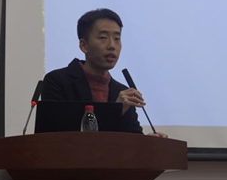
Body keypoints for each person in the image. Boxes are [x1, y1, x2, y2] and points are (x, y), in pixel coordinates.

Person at [42, 8, 167, 137]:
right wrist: (115, 110)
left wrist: (148, 142)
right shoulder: (57, 81)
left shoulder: (122, 92)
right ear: (84, 46)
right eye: (103, 38)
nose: (112, 45)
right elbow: (56, 136)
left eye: (117, 38)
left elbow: (132, 139)